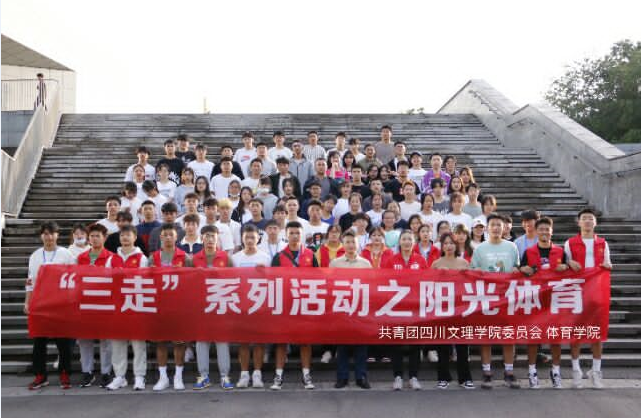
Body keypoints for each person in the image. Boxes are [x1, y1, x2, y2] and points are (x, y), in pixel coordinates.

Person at [470, 213, 520, 389]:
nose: (496, 228)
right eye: (493, 225)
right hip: (487, 298)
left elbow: (517, 267)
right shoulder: (480, 249)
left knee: (508, 335)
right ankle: (486, 372)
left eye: (499, 225)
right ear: (487, 228)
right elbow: (472, 270)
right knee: (486, 335)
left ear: (504, 227)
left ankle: (509, 372)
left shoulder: (512, 247)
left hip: (507, 297)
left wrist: (516, 270)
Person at [565, 208, 612, 389]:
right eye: (584, 218)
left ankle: (596, 371)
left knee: (596, 333)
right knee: (576, 333)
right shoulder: (570, 243)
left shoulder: (602, 243)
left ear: (595, 222)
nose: (587, 221)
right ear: (578, 222)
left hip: (597, 292)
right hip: (578, 292)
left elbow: (608, 263)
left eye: (590, 218)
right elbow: (565, 263)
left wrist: (607, 265)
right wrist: (569, 262)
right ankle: (576, 371)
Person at [25, 221, 75, 390]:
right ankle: (40, 375)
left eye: (52, 233)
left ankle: (64, 374)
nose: (49, 237)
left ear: (57, 235)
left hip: (61, 304)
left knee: (63, 342)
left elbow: (74, 278)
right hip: (40, 303)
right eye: (45, 234)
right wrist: (27, 301)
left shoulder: (66, 254)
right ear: (41, 236)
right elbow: (30, 281)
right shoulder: (35, 256)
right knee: (39, 342)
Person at [519, 217, 567, 389]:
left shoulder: (560, 251)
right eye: (541, 229)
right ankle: (532, 371)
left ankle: (556, 371)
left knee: (555, 338)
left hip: (554, 301)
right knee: (533, 337)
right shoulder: (529, 252)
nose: (544, 232)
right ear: (536, 231)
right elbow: (520, 270)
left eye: (547, 229)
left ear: (551, 231)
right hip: (535, 300)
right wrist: (523, 269)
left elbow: (570, 273)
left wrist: (566, 267)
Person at [270, 221, 318, 390]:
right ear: (286, 235)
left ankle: (306, 375)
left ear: (302, 235)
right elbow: (273, 282)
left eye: (297, 233)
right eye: (291, 233)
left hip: (305, 303)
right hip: (285, 304)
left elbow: (318, 280)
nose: (295, 236)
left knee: (305, 341)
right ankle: (278, 376)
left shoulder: (310, 255)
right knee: (282, 341)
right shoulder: (279, 257)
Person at [77, 223, 123, 388]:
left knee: (106, 340)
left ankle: (106, 372)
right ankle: (87, 371)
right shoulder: (81, 257)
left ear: (104, 238)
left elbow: (118, 281)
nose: (94, 239)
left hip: (105, 303)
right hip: (85, 302)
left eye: (98, 236)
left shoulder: (113, 257)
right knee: (84, 339)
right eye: (92, 236)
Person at [382, 230, 427, 390]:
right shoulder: (391, 260)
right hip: (396, 308)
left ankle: (413, 377)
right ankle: (398, 377)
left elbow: (427, 281)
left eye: (410, 239)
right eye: (404, 239)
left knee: (415, 342)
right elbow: (384, 281)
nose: (407, 242)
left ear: (414, 242)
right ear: (399, 242)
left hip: (415, 307)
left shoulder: (420, 260)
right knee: (397, 342)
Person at [192, 225, 235, 390]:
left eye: (213, 236)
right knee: (201, 341)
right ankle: (203, 376)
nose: (210, 239)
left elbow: (235, 279)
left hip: (221, 304)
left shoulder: (226, 258)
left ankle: (225, 375)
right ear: (201, 238)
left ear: (218, 238)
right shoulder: (194, 259)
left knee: (221, 340)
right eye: (207, 236)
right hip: (201, 306)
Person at [107, 225, 148, 391]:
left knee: (138, 342)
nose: (124, 238)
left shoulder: (141, 258)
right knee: (117, 342)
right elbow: (107, 280)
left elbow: (145, 281)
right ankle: (120, 376)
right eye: (122, 235)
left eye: (128, 235)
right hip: (117, 305)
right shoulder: (112, 259)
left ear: (135, 237)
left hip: (136, 304)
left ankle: (139, 376)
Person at [431, 232, 474, 389]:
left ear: (456, 245)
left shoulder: (464, 263)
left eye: (451, 243)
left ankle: (465, 378)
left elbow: (472, 284)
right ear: (442, 246)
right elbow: (427, 285)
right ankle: (443, 377)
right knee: (443, 344)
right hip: (442, 308)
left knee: (462, 345)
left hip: (461, 308)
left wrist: (465, 275)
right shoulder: (436, 264)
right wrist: (438, 274)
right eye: (446, 243)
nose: (449, 246)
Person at [231, 225, 272, 388]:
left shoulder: (266, 258)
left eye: (252, 237)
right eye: (246, 237)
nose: (249, 240)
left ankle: (257, 373)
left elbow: (272, 280)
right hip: (241, 304)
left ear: (258, 238)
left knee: (259, 341)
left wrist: (264, 273)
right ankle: (244, 374)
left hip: (259, 304)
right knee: (243, 342)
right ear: (242, 239)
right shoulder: (235, 258)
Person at [331, 231, 373, 389]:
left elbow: (371, 286)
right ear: (343, 244)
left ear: (358, 244)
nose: (350, 245)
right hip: (342, 307)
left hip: (360, 308)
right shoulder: (335, 263)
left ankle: (361, 376)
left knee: (361, 344)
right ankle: (342, 377)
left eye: (353, 242)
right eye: (347, 242)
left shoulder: (365, 264)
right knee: (342, 345)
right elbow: (330, 285)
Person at [150, 224, 188, 391]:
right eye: (164, 235)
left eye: (170, 235)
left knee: (179, 343)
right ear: (160, 237)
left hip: (179, 306)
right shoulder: (153, 257)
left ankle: (178, 376)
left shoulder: (185, 257)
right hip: (159, 305)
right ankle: (163, 377)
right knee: (161, 342)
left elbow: (194, 280)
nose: (167, 237)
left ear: (176, 237)